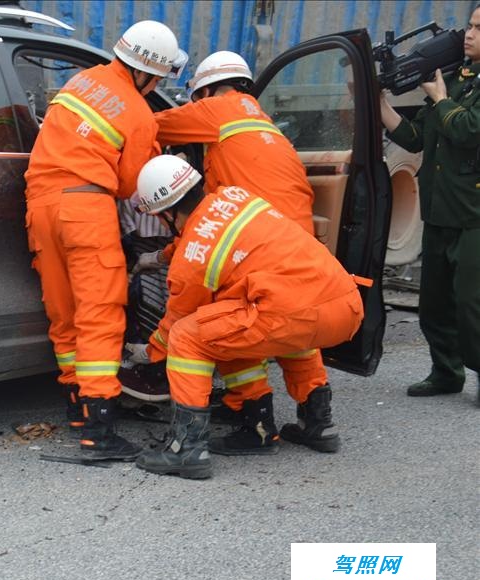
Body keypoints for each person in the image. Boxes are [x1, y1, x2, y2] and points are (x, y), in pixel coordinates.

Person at [122, 50, 340, 452]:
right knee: (294, 328)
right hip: (292, 241)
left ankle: (254, 419)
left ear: (204, 90)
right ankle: (317, 421)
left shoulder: (217, 109)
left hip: (250, 245)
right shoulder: (263, 123)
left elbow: (145, 125)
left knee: (227, 323)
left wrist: (150, 350)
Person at [130, 155, 365, 479]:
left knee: (190, 334)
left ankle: (187, 450)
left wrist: (147, 351)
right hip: (344, 305)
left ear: (165, 212)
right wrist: (159, 257)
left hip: (292, 314)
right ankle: (317, 425)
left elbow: (175, 322)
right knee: (256, 321)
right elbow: (208, 235)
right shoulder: (234, 197)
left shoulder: (190, 263)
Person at [24, 20, 185, 458]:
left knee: (64, 314)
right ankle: (100, 428)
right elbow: (135, 186)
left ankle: (77, 404)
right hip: (84, 209)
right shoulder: (137, 113)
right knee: (99, 314)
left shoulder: (80, 82)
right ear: (148, 73)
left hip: (40, 207)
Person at [380, 4, 480, 403]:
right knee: (434, 304)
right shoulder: (458, 80)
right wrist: (379, 104)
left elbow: (468, 130)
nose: (468, 34)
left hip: (474, 215)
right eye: (470, 25)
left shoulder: (449, 90)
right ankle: (445, 372)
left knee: (472, 307)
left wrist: (439, 99)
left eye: (478, 28)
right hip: (440, 209)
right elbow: (418, 137)